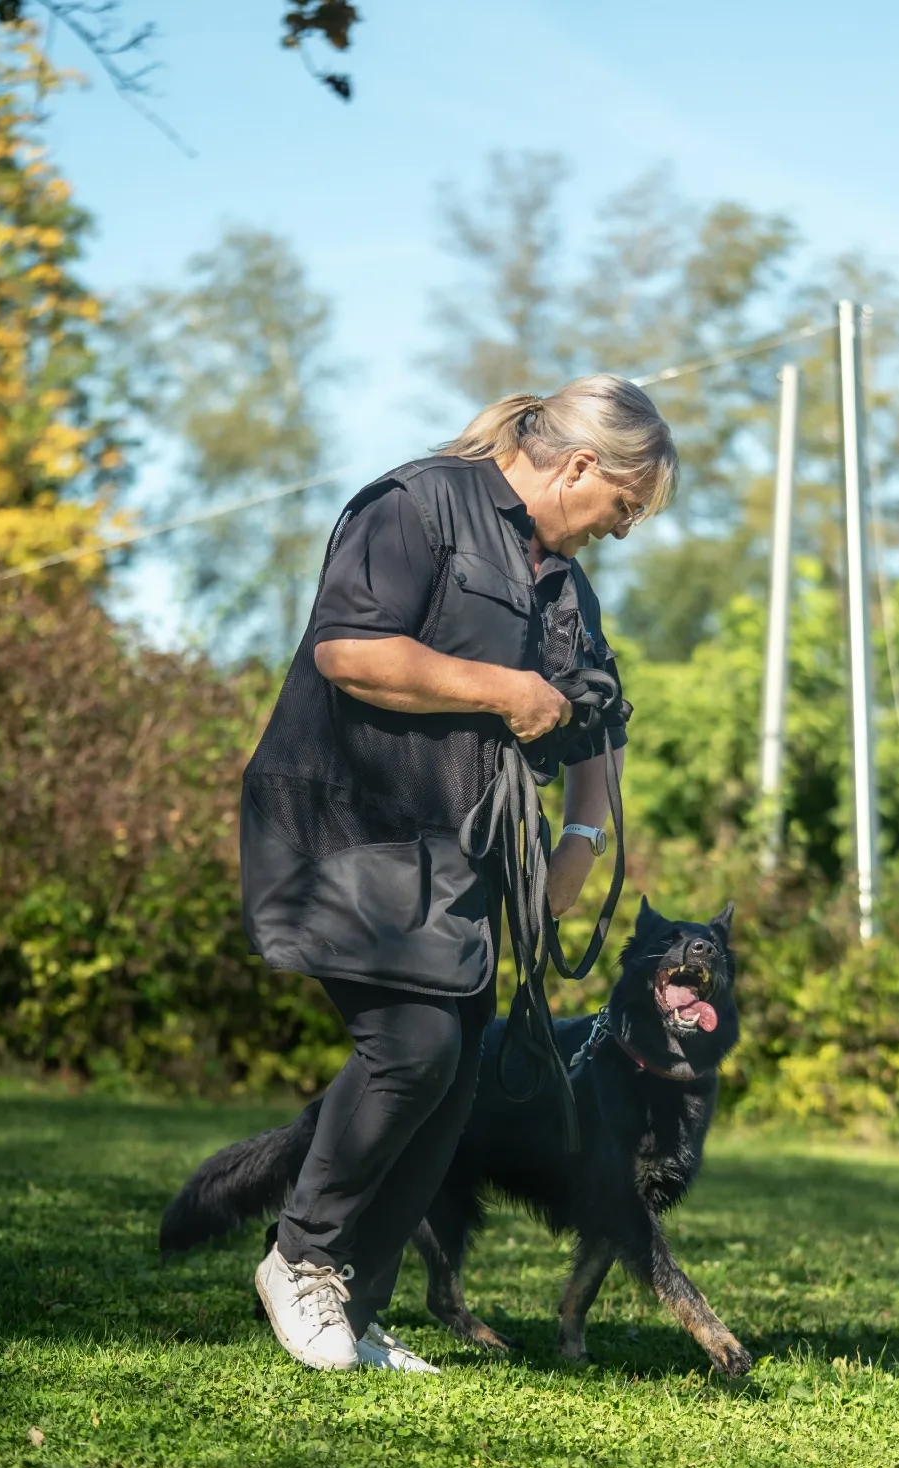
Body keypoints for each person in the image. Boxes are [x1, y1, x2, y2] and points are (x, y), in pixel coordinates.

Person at [243, 375, 678, 1372]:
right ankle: (302, 1258)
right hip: (347, 821)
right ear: (578, 466)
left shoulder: (563, 583)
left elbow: (596, 717)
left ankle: (351, 1309)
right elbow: (349, 651)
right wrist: (501, 688)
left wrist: (582, 840)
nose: (617, 533)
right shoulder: (413, 505)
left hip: (463, 853)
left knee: (451, 1077)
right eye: (620, 508)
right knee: (414, 1045)